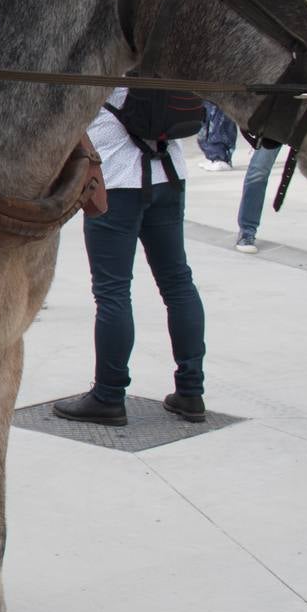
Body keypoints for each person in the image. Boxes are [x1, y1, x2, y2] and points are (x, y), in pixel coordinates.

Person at [53, 88, 207, 426]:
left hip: (116, 179)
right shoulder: (167, 54)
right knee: (178, 283)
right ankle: (191, 391)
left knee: (113, 292)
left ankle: (108, 396)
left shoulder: (116, 53)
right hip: (170, 175)